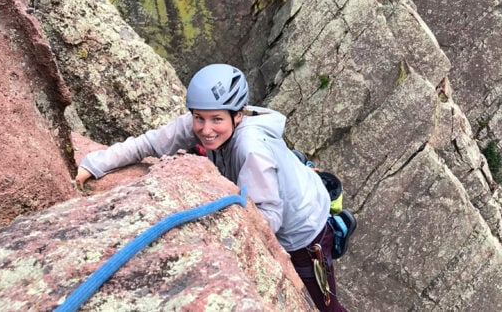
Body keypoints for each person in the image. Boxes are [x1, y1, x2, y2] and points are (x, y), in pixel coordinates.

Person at [75, 63, 347, 312]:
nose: (206, 129)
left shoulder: (251, 149)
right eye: (199, 118)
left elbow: (269, 218)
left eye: (217, 119)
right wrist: (95, 164)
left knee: (326, 307)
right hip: (287, 192)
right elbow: (149, 144)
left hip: (303, 234)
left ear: (237, 116)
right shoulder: (204, 124)